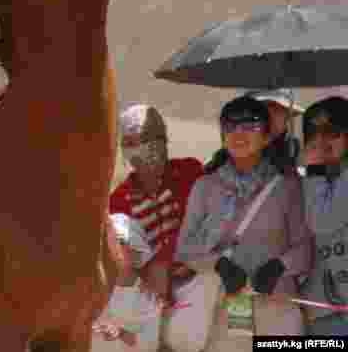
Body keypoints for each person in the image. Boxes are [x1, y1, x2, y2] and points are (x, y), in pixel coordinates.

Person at [175, 96, 310, 349]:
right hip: (234, 302)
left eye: (250, 125)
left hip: (278, 303)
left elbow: (304, 248)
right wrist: (218, 264)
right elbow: (184, 249)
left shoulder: (288, 185)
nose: (239, 132)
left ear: (267, 136)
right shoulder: (206, 186)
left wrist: (280, 266)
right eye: (230, 126)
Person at [109, 104, 204, 306]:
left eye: (152, 138)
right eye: (132, 142)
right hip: (150, 297)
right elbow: (125, 257)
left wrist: (163, 261)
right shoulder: (119, 199)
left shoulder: (190, 172)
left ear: (164, 140)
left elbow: (205, 225)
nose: (144, 148)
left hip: (200, 281)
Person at [300, 96, 348, 335]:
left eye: (332, 132)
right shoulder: (310, 180)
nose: (321, 141)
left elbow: (322, 221)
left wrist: (315, 169)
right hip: (320, 310)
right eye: (312, 133)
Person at [92, 214, 162, 352]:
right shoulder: (90, 287)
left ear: (135, 250)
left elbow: (150, 344)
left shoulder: (148, 293)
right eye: (107, 241)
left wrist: (120, 333)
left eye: (120, 241)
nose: (113, 247)